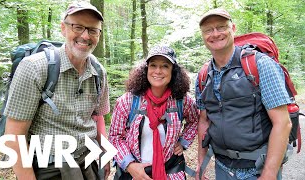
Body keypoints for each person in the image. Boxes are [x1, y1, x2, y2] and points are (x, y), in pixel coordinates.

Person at [3, 2, 110, 180]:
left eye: (92, 30)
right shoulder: (35, 67)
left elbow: (98, 118)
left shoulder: (99, 72)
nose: (85, 36)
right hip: (49, 168)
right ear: (63, 28)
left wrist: (105, 155)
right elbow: (14, 135)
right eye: (78, 27)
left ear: (99, 34)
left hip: (88, 164)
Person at [195, 8, 292, 180]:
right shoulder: (203, 75)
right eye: (208, 30)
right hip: (222, 167)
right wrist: (201, 163)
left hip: (257, 168)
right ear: (202, 35)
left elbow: (283, 123)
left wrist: (269, 174)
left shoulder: (260, 65)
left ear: (233, 29)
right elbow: (204, 120)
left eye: (221, 27)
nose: (215, 34)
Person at [109, 45, 200, 180]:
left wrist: (183, 141)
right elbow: (115, 137)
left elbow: (194, 120)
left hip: (170, 171)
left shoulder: (181, 101)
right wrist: (129, 165)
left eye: (164, 66)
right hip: (133, 173)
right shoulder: (128, 101)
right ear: (146, 69)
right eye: (153, 65)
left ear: (173, 71)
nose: (158, 71)